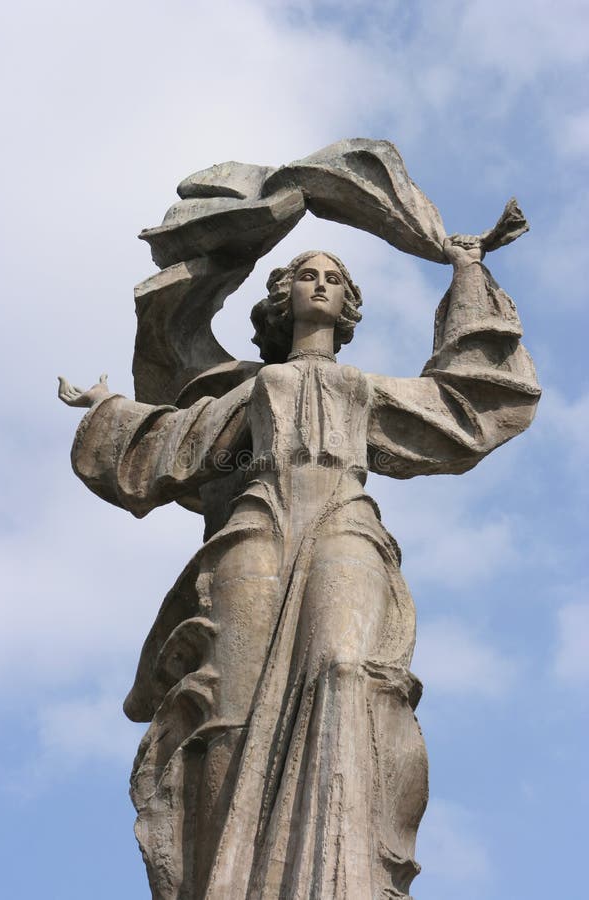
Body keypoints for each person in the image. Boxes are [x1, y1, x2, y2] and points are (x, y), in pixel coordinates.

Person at [59, 239, 540, 900]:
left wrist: (468, 273)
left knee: (344, 674)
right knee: (232, 701)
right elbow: (179, 440)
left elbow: (463, 406)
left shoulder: (360, 387)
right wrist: (108, 412)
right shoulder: (260, 385)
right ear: (284, 301)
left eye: (332, 278)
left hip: (345, 523)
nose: (319, 283)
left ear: (348, 304)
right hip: (258, 526)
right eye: (307, 276)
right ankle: (224, 879)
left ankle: (341, 875)